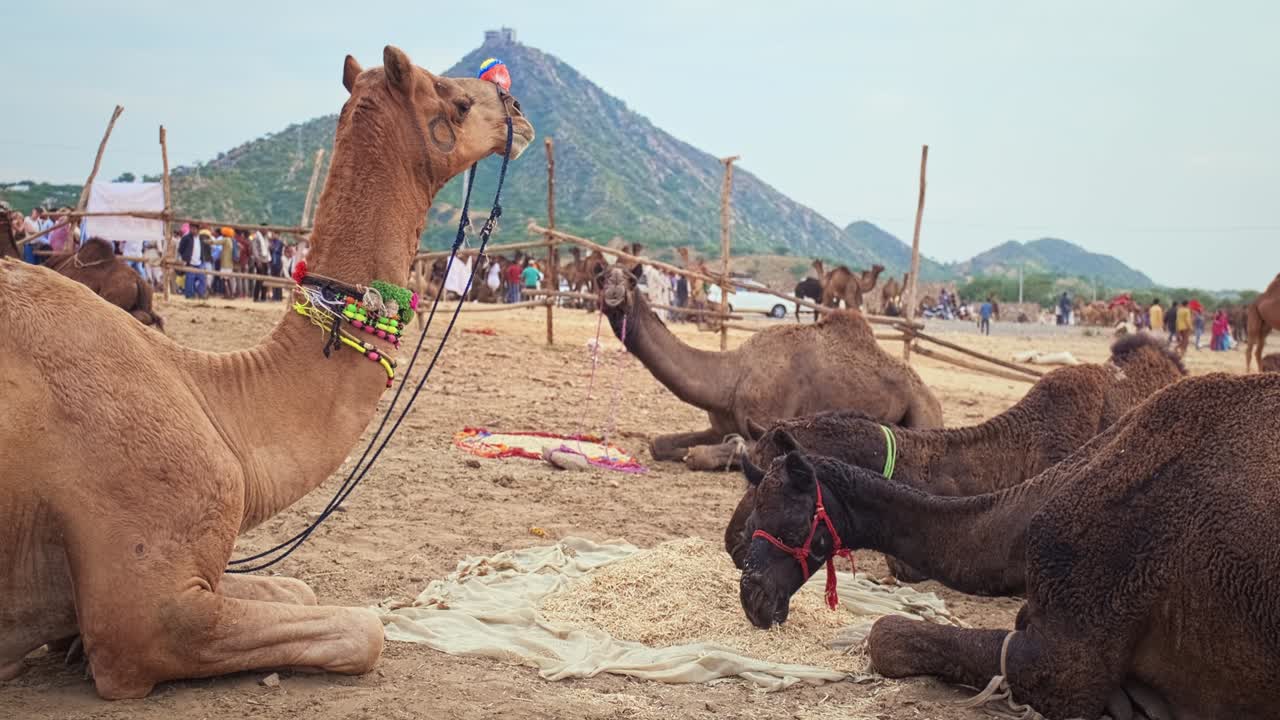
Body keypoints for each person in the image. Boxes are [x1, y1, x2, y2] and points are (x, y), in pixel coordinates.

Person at [178, 225, 213, 299]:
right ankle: (190, 296)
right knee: (189, 280)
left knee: (202, 279)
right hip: (190, 262)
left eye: (194, 229)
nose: (192, 230)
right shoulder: (186, 238)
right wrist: (185, 257)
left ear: (198, 229)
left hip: (199, 262)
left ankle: (201, 293)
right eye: (191, 229)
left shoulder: (201, 238)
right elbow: (180, 249)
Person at [250, 227, 271, 302]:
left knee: (264, 279)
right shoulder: (256, 237)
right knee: (259, 280)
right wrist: (258, 260)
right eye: (265, 229)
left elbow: (267, 249)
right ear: (262, 229)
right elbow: (254, 249)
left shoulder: (266, 238)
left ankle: (263, 297)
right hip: (260, 260)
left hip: (265, 260)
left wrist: (268, 260)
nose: (266, 231)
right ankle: (256, 297)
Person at [268, 232, 285, 301]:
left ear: (278, 235)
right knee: (274, 280)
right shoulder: (272, 242)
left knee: (278, 280)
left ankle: (278, 296)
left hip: (277, 263)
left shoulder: (279, 242)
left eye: (274, 234)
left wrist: (270, 246)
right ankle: (275, 296)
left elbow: (275, 249)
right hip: (273, 263)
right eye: (272, 234)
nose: (273, 235)